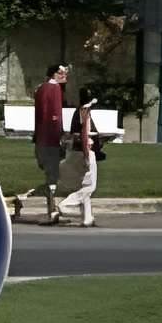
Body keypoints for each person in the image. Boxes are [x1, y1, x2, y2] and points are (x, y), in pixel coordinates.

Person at [16, 62, 69, 223]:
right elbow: (52, 116)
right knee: (53, 178)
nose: (64, 75)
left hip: (42, 139)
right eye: (62, 72)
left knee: (51, 177)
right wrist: (59, 137)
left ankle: (49, 210)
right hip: (50, 140)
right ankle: (25, 201)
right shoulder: (54, 89)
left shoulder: (42, 88)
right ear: (55, 74)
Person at [58, 88, 108, 227]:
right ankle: (65, 204)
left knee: (85, 184)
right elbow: (84, 134)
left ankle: (88, 217)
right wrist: (88, 152)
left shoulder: (79, 111)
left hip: (77, 151)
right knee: (90, 186)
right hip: (85, 151)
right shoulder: (84, 112)